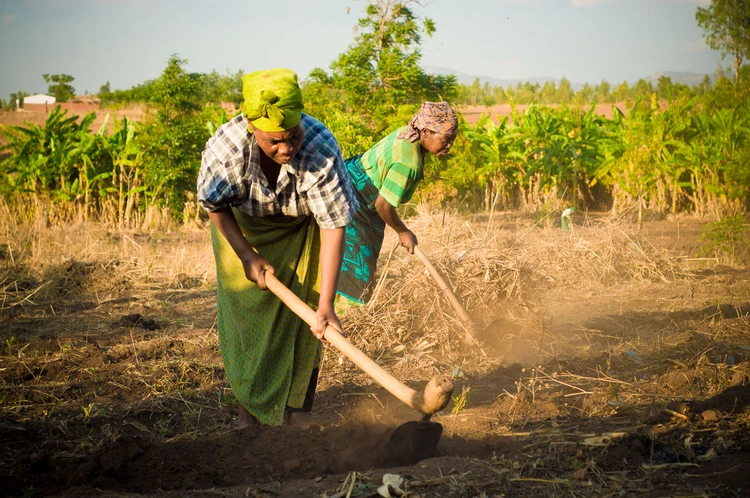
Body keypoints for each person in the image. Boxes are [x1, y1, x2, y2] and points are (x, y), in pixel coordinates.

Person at [197, 68, 358, 428]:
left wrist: (327, 303)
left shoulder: (320, 148)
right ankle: (248, 414)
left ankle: (299, 412)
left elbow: (333, 224)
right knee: (249, 319)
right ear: (252, 128)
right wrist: (245, 255)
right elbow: (214, 206)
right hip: (242, 230)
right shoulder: (227, 150)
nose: (287, 148)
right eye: (274, 142)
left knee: (306, 320)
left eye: (293, 136)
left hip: (302, 231)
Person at [337, 102, 458, 304]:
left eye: (452, 140)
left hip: (348, 182)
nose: (449, 145)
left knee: (340, 262)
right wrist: (402, 231)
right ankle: (346, 321)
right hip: (354, 203)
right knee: (355, 271)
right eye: (445, 139)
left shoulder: (407, 133)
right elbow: (382, 205)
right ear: (426, 132)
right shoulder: (408, 162)